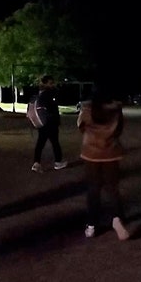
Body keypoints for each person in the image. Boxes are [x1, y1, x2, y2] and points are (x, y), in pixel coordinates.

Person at [77, 84, 129, 240]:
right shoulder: (116, 110)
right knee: (112, 189)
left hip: (91, 153)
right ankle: (117, 219)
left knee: (93, 189)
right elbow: (119, 129)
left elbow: (81, 127)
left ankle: (92, 225)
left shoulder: (87, 110)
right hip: (111, 153)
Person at [31, 74, 67, 173]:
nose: (53, 85)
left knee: (40, 143)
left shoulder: (39, 93)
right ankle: (58, 162)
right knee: (55, 142)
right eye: (51, 83)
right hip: (50, 122)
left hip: (41, 121)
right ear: (45, 83)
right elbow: (53, 107)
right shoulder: (49, 93)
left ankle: (36, 163)